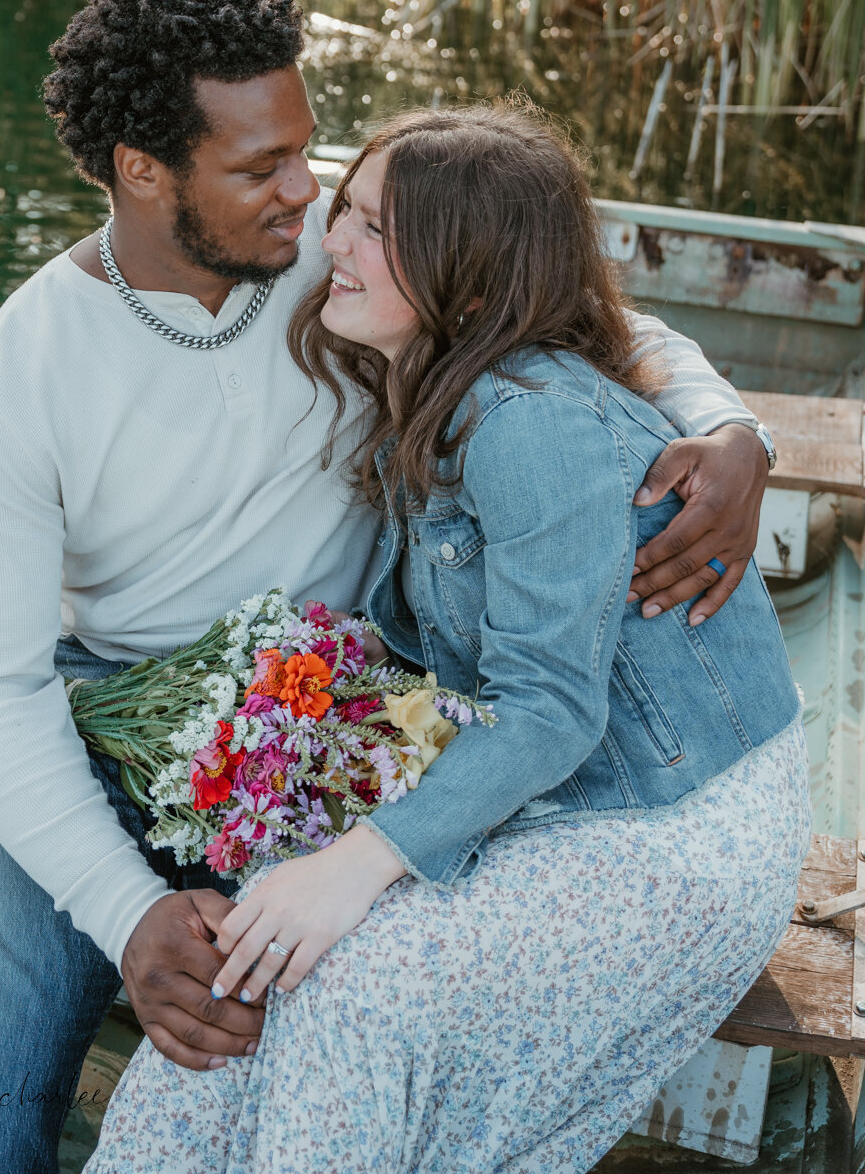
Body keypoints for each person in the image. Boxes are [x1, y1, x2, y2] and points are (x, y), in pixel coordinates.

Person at [0, 0, 774, 1174]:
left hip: (344, 701)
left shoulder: (347, 257)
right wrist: (130, 911)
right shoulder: (16, 376)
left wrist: (733, 430)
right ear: (144, 172)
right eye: (263, 167)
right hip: (107, 706)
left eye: (308, 152)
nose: (308, 191)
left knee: (292, 1016)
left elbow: (584, 317)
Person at [84, 101, 809, 1174]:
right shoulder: (421, 368)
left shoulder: (529, 419)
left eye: (374, 227)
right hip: (557, 786)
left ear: (470, 283)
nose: (332, 241)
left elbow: (553, 708)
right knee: (253, 977)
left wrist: (355, 865)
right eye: (347, 211)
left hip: (680, 819)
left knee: (361, 993)